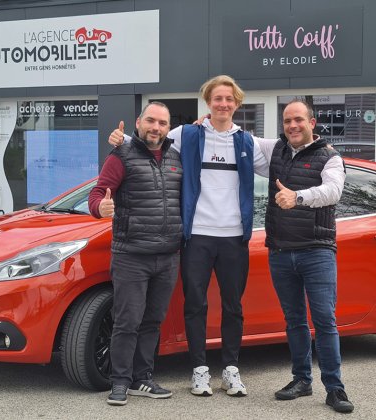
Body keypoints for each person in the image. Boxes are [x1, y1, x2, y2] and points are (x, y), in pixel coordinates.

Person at [109, 75, 270, 397]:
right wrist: (121, 139)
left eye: (229, 99)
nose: (223, 104)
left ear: (237, 104)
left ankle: (231, 370)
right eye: (217, 98)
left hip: (235, 237)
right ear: (208, 102)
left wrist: (320, 145)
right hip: (196, 236)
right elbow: (151, 144)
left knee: (233, 306)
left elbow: (287, 155)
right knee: (195, 305)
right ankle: (199, 371)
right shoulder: (186, 134)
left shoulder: (248, 142)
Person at [259, 99, 354, 413]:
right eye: (287, 121)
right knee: (295, 320)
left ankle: (335, 388)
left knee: (325, 320)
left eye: (298, 119)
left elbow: (333, 192)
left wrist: (297, 197)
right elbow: (239, 139)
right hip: (280, 251)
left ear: (312, 123)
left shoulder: (330, 157)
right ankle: (301, 380)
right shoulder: (276, 150)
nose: (292, 126)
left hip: (316, 251)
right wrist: (206, 123)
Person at [88, 102, 183, 406]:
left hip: (168, 255)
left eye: (162, 123)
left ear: (169, 128)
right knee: (127, 321)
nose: (156, 127)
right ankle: (119, 382)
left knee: (153, 321)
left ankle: (143, 378)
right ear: (138, 122)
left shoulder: (176, 157)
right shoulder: (121, 155)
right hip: (132, 255)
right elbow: (97, 193)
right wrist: (100, 207)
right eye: (151, 121)